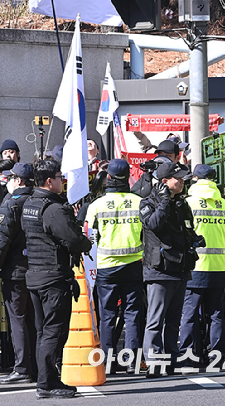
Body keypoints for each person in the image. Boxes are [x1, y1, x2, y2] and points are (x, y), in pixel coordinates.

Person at [22, 159, 92, 399]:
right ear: (49, 181)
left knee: (43, 332)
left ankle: (47, 380)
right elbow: (72, 240)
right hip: (53, 277)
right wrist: (86, 241)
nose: (63, 181)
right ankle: (47, 383)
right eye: (60, 177)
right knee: (54, 332)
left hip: (35, 276)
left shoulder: (30, 204)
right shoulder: (53, 208)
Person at [139, 161, 202, 376]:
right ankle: (154, 363)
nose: (183, 181)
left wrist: (194, 239)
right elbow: (153, 225)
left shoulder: (181, 204)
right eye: (179, 178)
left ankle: (172, 361)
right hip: (159, 269)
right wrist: (164, 202)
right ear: (165, 182)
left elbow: (187, 227)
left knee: (173, 320)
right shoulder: (149, 202)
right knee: (155, 320)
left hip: (180, 268)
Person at [85, 158, 143, 371]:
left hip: (106, 266)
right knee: (132, 314)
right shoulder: (138, 202)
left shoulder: (96, 206)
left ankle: (107, 363)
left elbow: (89, 238)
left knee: (107, 314)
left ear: (108, 178)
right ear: (128, 177)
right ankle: (131, 362)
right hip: (134, 264)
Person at [179, 164, 225, 364]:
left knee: (189, 314)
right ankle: (217, 357)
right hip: (219, 267)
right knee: (216, 314)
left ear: (194, 179)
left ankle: (187, 357)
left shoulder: (188, 203)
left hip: (194, 268)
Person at [0, 162, 37, 384]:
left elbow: (1, 241)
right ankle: (36, 366)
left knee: (17, 320)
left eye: (10, 178)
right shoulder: (39, 201)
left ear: (18, 181)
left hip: (15, 271)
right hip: (38, 269)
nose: (7, 181)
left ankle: (22, 368)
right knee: (35, 320)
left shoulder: (12, 204)